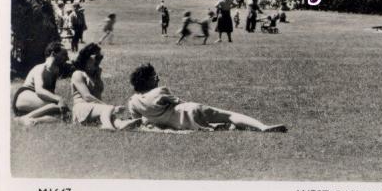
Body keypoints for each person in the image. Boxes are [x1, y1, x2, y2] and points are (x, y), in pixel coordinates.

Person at [126, 63, 287, 132]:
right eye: (154, 75)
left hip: (181, 124)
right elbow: (181, 103)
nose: (157, 77)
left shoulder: (133, 102)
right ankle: (262, 127)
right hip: (188, 110)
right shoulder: (160, 91)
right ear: (147, 80)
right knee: (230, 115)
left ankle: (218, 125)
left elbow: (139, 121)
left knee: (222, 121)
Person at [69, 43, 139, 130]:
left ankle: (121, 124)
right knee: (107, 109)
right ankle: (107, 126)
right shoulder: (78, 74)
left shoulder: (95, 74)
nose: (99, 60)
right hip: (81, 109)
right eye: (96, 57)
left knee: (110, 114)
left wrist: (97, 76)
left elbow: (98, 95)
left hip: (95, 110)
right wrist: (111, 108)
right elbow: (87, 97)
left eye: (100, 57)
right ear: (87, 58)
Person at [12, 41, 70, 126]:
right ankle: (23, 118)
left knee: (64, 116)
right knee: (57, 108)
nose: (67, 58)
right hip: (24, 97)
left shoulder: (55, 71)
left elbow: (49, 94)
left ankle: (33, 120)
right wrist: (59, 99)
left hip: (36, 102)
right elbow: (39, 90)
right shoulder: (40, 68)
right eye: (64, 54)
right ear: (53, 54)